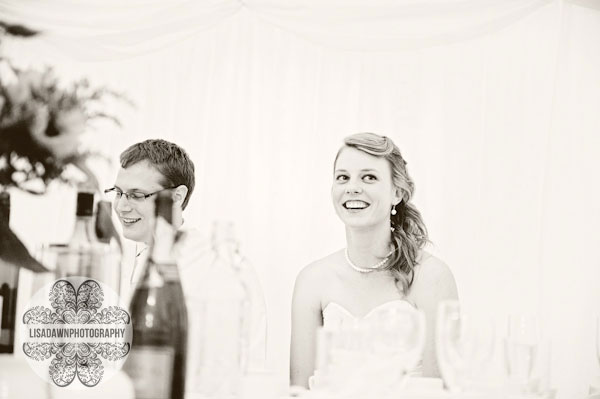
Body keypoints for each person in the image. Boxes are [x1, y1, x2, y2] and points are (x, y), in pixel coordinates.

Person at [290, 132, 458, 388]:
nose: (352, 187)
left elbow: (443, 390)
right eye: (342, 177)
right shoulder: (311, 281)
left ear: (397, 193)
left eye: (369, 177)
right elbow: (298, 391)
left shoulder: (432, 277)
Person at [106, 139, 267, 369]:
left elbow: (248, 365)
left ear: (176, 197)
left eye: (136, 195)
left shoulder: (221, 268)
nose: (121, 206)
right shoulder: (113, 260)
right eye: (118, 193)